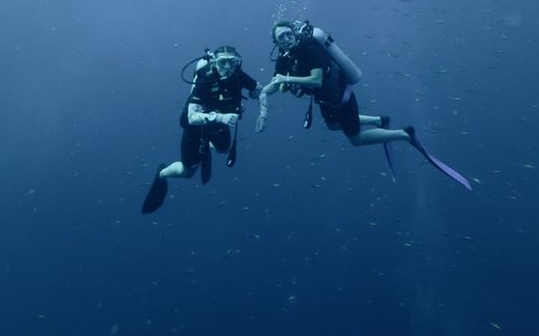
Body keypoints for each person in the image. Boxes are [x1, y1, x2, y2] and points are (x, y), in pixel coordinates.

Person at [257, 21, 471, 190]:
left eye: (288, 34)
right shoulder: (285, 58)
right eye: (281, 37)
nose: (286, 39)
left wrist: (288, 80)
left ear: (294, 34)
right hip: (325, 101)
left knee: (356, 139)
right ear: (276, 43)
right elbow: (276, 82)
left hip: (341, 97)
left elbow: (316, 80)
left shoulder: (309, 49)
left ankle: (405, 135)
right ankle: (379, 120)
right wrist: (261, 97)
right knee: (332, 126)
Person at [142, 46, 266, 214]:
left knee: (223, 149)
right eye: (223, 62)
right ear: (215, 62)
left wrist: (263, 114)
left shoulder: (239, 75)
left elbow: (259, 90)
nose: (228, 67)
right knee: (188, 172)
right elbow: (191, 117)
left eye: (232, 62)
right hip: (196, 130)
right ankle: (162, 174)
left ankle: (207, 146)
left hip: (219, 126)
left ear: (238, 62)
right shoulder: (205, 79)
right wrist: (220, 117)